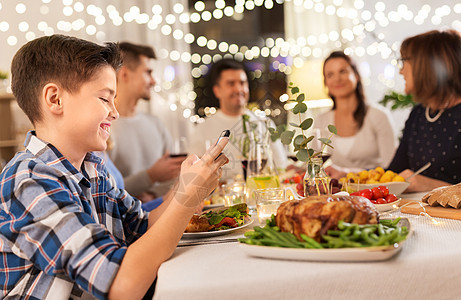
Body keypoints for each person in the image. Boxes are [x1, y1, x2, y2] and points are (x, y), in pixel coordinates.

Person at [0, 34, 228, 299]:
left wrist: (187, 186)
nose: (115, 112)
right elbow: (121, 285)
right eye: (105, 98)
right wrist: (187, 200)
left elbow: (144, 228)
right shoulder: (28, 181)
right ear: (55, 99)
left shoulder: (92, 169)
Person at [108, 42, 185, 200]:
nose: (153, 81)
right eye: (148, 72)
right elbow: (104, 190)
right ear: (124, 74)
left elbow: (176, 175)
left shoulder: (155, 123)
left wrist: (151, 195)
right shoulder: (104, 127)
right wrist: (150, 176)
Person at [189, 59, 288, 180]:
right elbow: (194, 176)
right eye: (231, 84)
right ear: (217, 90)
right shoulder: (203, 129)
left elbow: (281, 167)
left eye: (242, 83)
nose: (238, 89)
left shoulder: (264, 123)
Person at [388, 30, 461, 192]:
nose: (401, 71)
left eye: (404, 61)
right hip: (420, 214)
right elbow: (393, 172)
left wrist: (431, 186)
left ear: (425, 65)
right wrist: (351, 176)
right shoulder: (419, 113)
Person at [314, 51, 397, 179]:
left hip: (373, 193)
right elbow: (312, 164)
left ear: (356, 75)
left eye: (343, 71)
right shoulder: (321, 120)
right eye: (330, 75)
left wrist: (349, 173)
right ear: (326, 82)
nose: (337, 79)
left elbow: (392, 168)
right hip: (338, 195)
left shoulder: (378, 116)